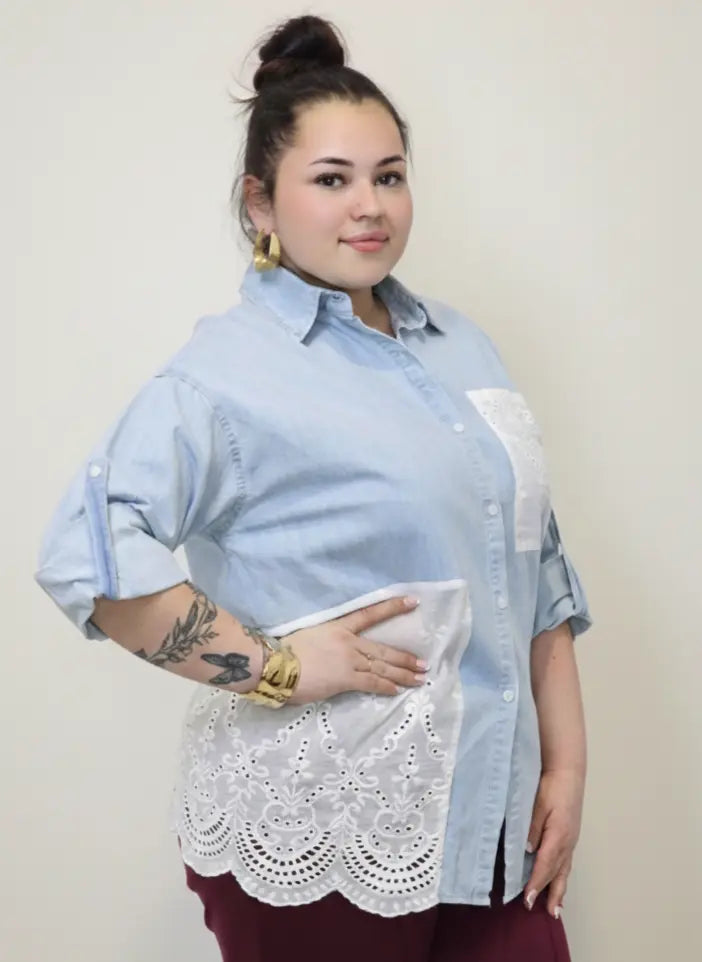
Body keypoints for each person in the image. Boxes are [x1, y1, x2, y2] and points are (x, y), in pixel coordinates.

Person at [35, 14, 591, 962]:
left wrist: (567, 766)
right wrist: (277, 666)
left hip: (491, 822)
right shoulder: (228, 373)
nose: (369, 206)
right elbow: (86, 558)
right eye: (331, 180)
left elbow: (534, 564)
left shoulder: (464, 346)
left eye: (390, 176)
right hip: (324, 829)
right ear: (260, 203)